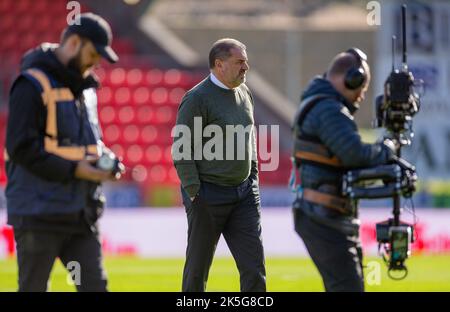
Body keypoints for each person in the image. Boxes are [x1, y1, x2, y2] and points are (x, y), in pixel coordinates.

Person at [5, 13, 123, 292]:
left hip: (81, 215)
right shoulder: (31, 85)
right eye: (93, 53)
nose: (96, 63)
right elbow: (21, 148)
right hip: (39, 215)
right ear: (73, 43)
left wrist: (108, 162)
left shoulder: (86, 90)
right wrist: (76, 169)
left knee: (94, 288)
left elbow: (89, 145)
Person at [291, 48, 396, 292]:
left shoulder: (320, 104)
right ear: (351, 78)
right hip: (323, 217)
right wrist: (386, 149)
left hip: (325, 215)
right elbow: (355, 154)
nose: (361, 95)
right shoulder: (328, 109)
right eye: (362, 86)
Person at [172, 38, 266, 292]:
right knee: (197, 271)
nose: (246, 67)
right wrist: (194, 192)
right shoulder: (196, 98)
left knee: (254, 269)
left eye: (245, 61)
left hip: (244, 194)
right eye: (240, 62)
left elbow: (250, 139)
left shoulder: (245, 93)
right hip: (207, 195)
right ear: (219, 64)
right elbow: (182, 150)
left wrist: (253, 180)